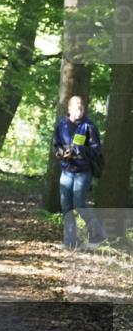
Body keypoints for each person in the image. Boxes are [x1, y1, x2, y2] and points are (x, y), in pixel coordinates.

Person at [52, 94, 106, 250]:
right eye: (76, 109)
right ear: (69, 109)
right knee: (66, 205)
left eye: (81, 109)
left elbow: (96, 151)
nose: (79, 112)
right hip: (66, 171)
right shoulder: (61, 125)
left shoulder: (89, 126)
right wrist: (60, 152)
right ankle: (70, 241)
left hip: (83, 171)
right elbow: (56, 145)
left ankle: (98, 235)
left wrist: (76, 150)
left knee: (79, 204)